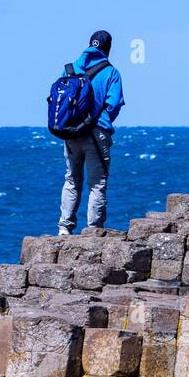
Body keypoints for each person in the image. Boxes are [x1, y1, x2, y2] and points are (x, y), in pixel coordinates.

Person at [58, 30, 125, 236]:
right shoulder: (111, 73)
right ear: (108, 48)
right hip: (96, 133)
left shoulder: (70, 68)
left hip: (71, 132)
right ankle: (93, 229)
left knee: (71, 179)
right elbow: (113, 104)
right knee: (97, 182)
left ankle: (64, 227)